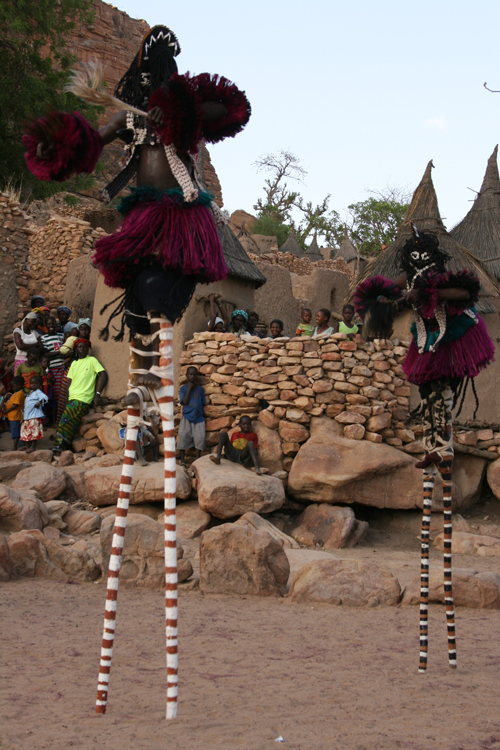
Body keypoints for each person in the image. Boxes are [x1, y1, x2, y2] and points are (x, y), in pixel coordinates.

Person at [53, 339, 108, 453]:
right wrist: (66, 400)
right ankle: (66, 445)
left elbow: (103, 375)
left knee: (65, 420)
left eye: (84, 347)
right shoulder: (74, 363)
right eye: (79, 347)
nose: (82, 349)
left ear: (87, 349)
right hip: (72, 397)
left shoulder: (92, 360)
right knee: (71, 422)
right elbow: (69, 383)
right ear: (76, 349)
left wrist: (97, 394)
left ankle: (59, 445)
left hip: (84, 397)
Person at [177, 366, 206, 467]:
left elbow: (202, 403)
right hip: (187, 417)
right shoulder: (183, 388)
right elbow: (184, 401)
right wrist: (189, 389)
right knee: (183, 436)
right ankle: (183, 461)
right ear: (187, 375)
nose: (193, 376)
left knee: (200, 438)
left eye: (195, 374)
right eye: (191, 374)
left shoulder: (200, 389)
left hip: (198, 418)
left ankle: (197, 460)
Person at [40, 316, 64, 411]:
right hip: (53, 368)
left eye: (53, 323)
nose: (51, 326)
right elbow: (45, 354)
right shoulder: (44, 338)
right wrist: (60, 352)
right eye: (49, 324)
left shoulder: (60, 336)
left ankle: (60, 413)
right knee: (55, 392)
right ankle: (54, 413)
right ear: (46, 325)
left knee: (62, 391)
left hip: (62, 366)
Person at [19, 375, 48, 453]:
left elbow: (45, 398)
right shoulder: (30, 392)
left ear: (39, 384)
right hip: (27, 416)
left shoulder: (38, 392)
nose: (33, 385)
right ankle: (26, 445)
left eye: (35, 383)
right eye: (31, 383)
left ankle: (33, 446)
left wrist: (39, 402)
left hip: (34, 415)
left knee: (34, 431)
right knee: (25, 431)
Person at [4, 376, 25, 449]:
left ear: (19, 385)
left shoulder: (19, 393)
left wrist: (6, 410)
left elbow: (15, 405)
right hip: (12, 416)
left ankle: (14, 447)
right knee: (14, 431)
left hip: (15, 416)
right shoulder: (17, 393)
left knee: (15, 433)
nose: (12, 388)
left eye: (13, 386)